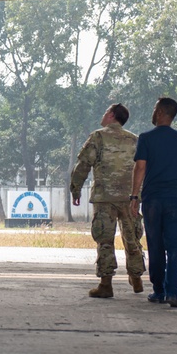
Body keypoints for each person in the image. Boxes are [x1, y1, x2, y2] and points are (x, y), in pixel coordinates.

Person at [70, 103, 146, 298]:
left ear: (112, 115)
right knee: (132, 238)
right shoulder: (134, 140)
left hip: (105, 199)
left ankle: (106, 284)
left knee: (105, 240)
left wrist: (75, 189)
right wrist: (139, 194)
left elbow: (83, 165)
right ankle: (136, 278)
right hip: (130, 198)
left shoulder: (98, 137)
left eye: (105, 112)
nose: (103, 116)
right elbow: (143, 169)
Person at [130, 97, 177, 308]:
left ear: (159, 112)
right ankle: (173, 293)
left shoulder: (146, 138)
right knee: (175, 248)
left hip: (153, 201)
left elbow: (140, 168)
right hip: (176, 199)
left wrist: (134, 197)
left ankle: (158, 291)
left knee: (156, 246)